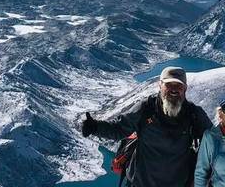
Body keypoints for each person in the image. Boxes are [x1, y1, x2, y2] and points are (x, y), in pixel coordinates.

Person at [81, 66, 213, 187]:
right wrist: (95, 127)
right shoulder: (146, 109)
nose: (174, 89)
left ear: (185, 88)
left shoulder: (194, 114)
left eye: (178, 85)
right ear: (160, 85)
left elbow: (213, 141)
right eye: (169, 84)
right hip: (140, 183)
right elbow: (119, 128)